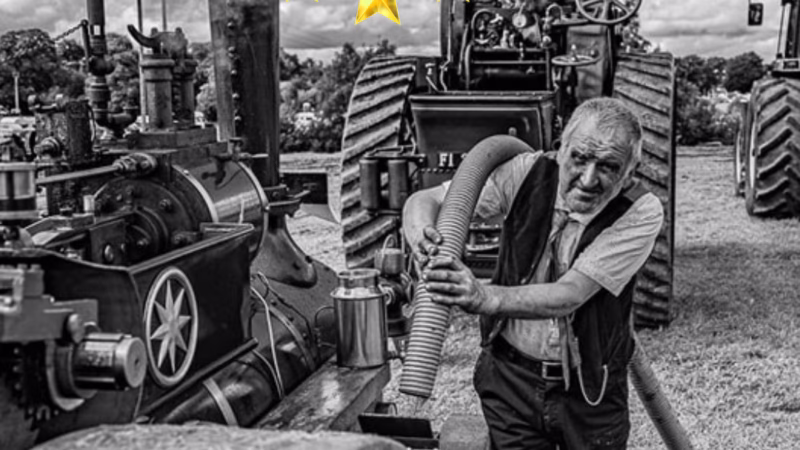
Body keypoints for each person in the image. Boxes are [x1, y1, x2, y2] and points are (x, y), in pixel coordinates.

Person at [402, 97, 663, 450]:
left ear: (631, 170)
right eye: (580, 158)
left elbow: (570, 294)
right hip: (510, 381)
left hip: (591, 392)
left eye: (608, 166)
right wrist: (422, 237)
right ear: (560, 150)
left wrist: (484, 296)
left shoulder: (640, 211)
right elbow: (425, 200)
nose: (588, 179)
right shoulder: (524, 172)